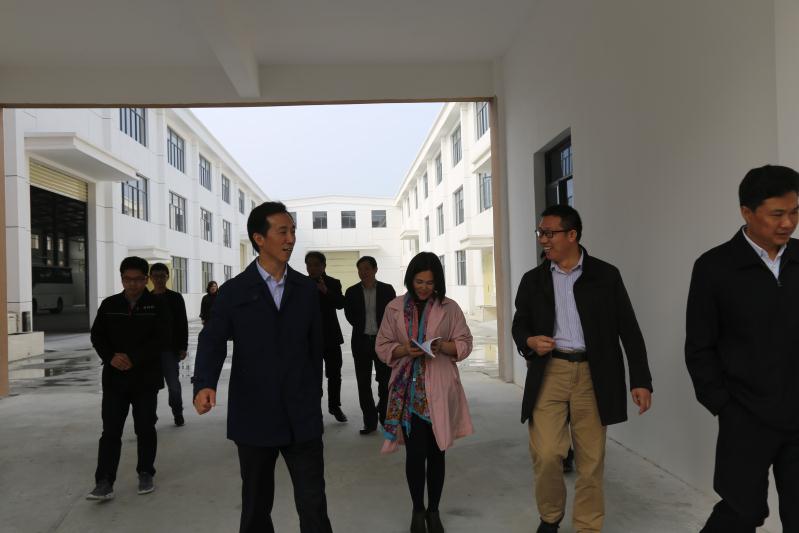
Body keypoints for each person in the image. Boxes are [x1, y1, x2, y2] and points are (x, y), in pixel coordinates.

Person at [193, 201, 333, 533]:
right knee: (256, 505)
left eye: (293, 231)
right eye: (282, 231)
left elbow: (316, 348)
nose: (291, 239)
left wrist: (314, 393)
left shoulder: (306, 290)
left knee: (313, 504)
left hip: (301, 415)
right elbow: (212, 339)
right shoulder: (234, 292)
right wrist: (204, 383)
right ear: (259, 238)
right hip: (254, 414)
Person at [511, 205, 653, 533]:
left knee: (591, 461)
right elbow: (520, 323)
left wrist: (641, 379)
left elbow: (629, 328)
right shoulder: (533, 280)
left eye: (550, 233)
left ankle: (587, 526)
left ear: (572, 235)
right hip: (550, 372)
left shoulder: (606, 276)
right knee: (547, 453)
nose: (543, 239)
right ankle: (550, 517)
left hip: (594, 375)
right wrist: (529, 340)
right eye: (540, 233)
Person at [686, 164, 799, 533]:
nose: (788, 223)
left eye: (795, 212)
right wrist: (724, 405)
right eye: (777, 214)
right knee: (741, 513)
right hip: (746, 417)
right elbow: (699, 346)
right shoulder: (714, 268)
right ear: (747, 212)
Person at [376, 252, 473, 533]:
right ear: (410, 279)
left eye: (430, 283)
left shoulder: (449, 308)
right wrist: (404, 350)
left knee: (437, 453)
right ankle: (418, 510)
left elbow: (465, 342)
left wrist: (442, 346)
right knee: (415, 456)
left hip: (439, 390)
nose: (424, 288)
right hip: (409, 395)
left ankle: (434, 510)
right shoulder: (394, 307)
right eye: (419, 281)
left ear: (437, 283)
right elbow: (382, 345)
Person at [86, 256, 168, 501]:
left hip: (145, 379)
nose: (132, 284)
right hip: (115, 380)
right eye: (127, 279)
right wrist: (110, 357)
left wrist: (134, 358)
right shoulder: (110, 304)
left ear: (146, 279)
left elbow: (162, 338)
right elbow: (97, 336)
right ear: (121, 279)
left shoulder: (157, 306)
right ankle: (104, 481)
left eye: (138, 279)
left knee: (145, 427)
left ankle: (146, 472)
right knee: (111, 431)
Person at [344, 256, 396, 434]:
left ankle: (384, 415)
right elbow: (350, 316)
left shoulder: (387, 290)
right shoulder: (351, 292)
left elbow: (393, 315)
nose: (363, 272)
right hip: (361, 342)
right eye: (360, 269)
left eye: (367, 268)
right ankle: (370, 421)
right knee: (363, 383)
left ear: (375, 270)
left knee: (385, 381)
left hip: (383, 342)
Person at [305, 251, 347, 423]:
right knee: (312, 376)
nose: (312, 268)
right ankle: (314, 409)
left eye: (316, 265)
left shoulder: (333, 283)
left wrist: (325, 290)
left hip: (331, 337)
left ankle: (334, 406)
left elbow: (341, 304)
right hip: (309, 339)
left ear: (324, 266)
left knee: (334, 374)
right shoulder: (302, 284)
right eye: (309, 265)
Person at [149, 262, 189, 427]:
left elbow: (182, 323)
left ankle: (177, 412)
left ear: (167, 277)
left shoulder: (175, 298)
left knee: (174, 385)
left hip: (170, 350)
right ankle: (150, 416)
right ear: (150, 278)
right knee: (150, 387)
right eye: (156, 276)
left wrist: (183, 347)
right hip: (150, 352)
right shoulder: (146, 298)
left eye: (162, 276)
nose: (159, 279)